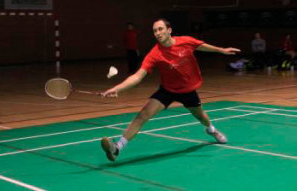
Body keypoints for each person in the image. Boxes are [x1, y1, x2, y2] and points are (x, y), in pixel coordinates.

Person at [101, 19, 241, 162]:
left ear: (169, 30)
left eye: (160, 29)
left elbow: (201, 46)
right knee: (143, 115)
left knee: (201, 117)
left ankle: (212, 130)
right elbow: (137, 76)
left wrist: (222, 50)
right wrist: (117, 88)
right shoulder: (155, 53)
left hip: (188, 90)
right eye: (155, 31)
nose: (158, 33)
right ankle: (117, 148)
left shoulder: (185, 41)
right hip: (167, 90)